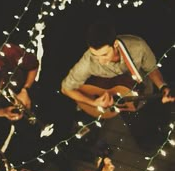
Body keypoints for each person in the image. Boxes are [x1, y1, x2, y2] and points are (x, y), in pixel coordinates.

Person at [61, 20, 174, 150]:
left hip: (147, 90)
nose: (100, 61)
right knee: (141, 134)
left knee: (161, 117)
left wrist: (162, 87)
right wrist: (94, 103)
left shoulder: (137, 46)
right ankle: (148, 146)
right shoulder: (88, 61)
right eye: (95, 55)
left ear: (115, 44)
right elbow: (65, 88)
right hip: (125, 105)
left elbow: (152, 69)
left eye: (104, 54)